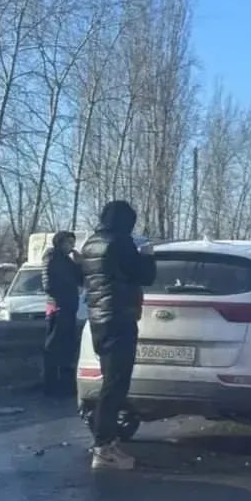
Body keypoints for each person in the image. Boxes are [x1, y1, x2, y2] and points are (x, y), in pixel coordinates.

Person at [80, 201, 156, 470]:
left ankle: (106, 442)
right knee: (115, 385)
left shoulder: (90, 244)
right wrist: (147, 255)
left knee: (109, 381)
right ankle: (104, 447)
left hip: (98, 319)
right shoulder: (121, 243)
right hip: (120, 317)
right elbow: (145, 276)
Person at [41, 231, 82, 397]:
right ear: (60, 242)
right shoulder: (52, 258)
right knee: (54, 346)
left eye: (73, 243)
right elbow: (48, 285)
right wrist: (64, 293)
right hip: (58, 306)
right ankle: (51, 384)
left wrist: (79, 264)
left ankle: (64, 384)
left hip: (69, 307)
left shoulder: (67, 260)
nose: (71, 246)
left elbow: (80, 280)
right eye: (68, 243)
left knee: (67, 346)